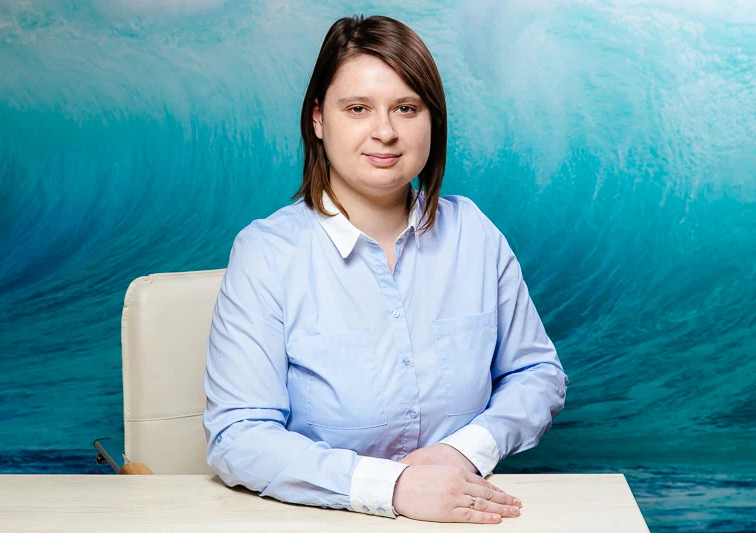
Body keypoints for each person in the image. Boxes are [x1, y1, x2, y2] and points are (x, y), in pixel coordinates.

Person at [203, 14, 569, 524]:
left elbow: (537, 374)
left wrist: (465, 451)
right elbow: (239, 436)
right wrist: (391, 487)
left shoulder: (475, 235)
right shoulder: (266, 253)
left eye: (406, 108)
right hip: (321, 519)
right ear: (318, 119)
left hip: (464, 517)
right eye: (358, 108)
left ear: (432, 119)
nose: (385, 132)